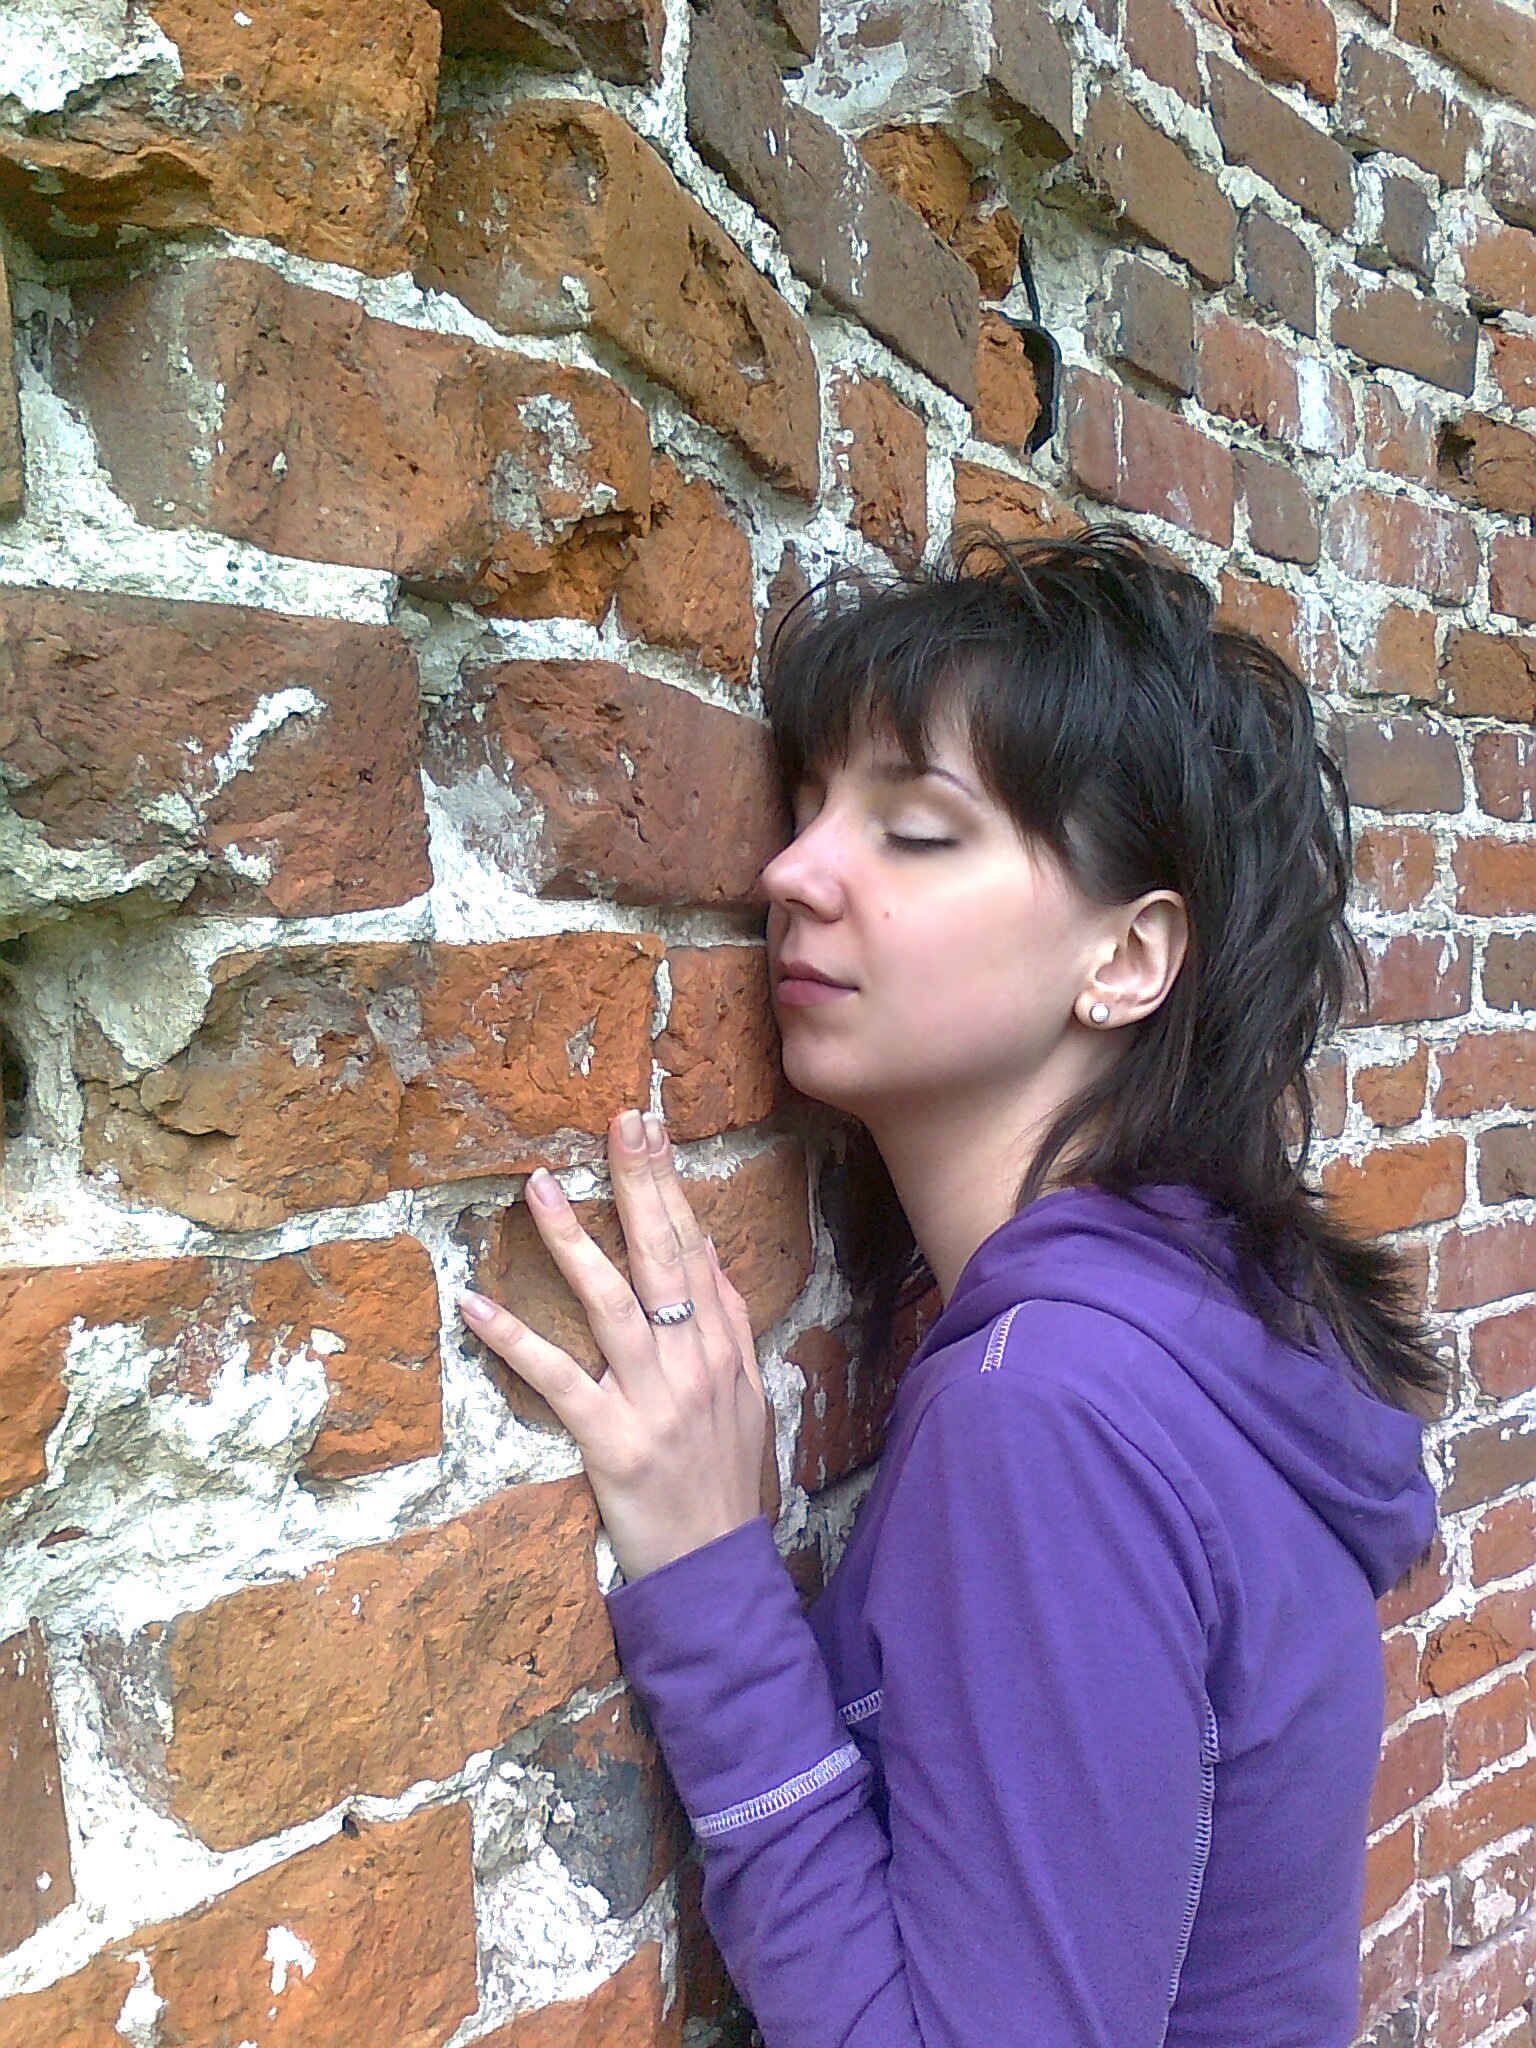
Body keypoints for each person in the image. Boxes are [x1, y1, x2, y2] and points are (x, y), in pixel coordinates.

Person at [458, 528, 1442, 2048]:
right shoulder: (1211, 1320)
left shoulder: (1051, 1407)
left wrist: (712, 1581)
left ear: (1128, 957)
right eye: (806, 810)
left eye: (915, 831)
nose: (792, 872)